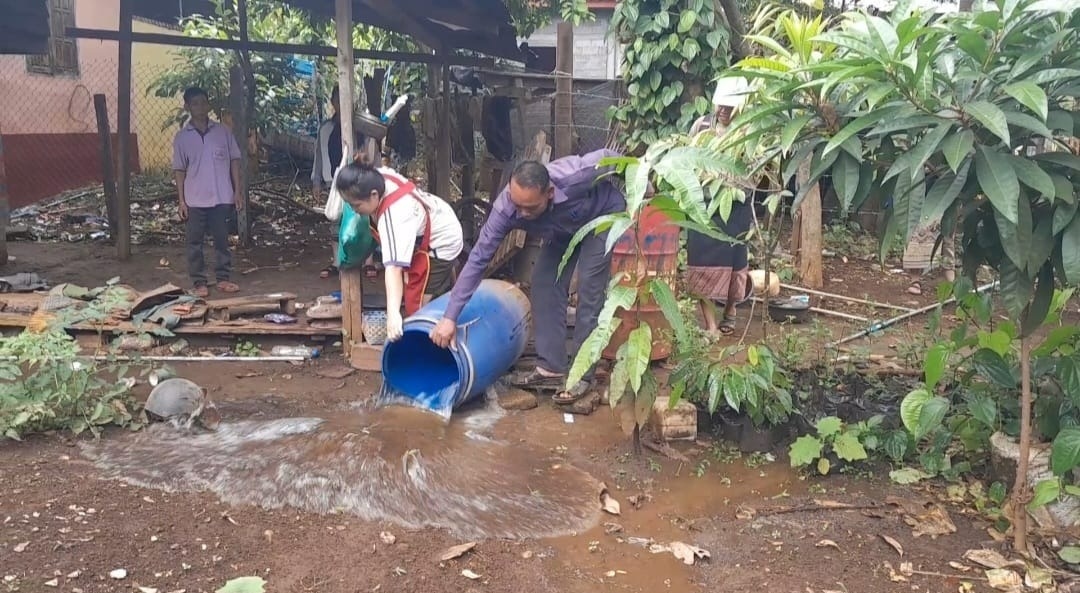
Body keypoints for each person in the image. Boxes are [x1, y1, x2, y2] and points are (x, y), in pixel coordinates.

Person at [429, 150, 625, 404]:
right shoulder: (506, 209)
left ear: (549, 194)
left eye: (529, 207)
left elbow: (614, 158)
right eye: (516, 204)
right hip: (562, 230)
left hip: (601, 217)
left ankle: (581, 376)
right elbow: (477, 259)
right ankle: (551, 368)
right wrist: (449, 317)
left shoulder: (576, 175)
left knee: (590, 291)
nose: (520, 213)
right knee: (544, 283)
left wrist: (646, 182)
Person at [335, 160, 464, 341]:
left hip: (442, 241)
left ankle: (424, 340)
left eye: (356, 206)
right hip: (430, 220)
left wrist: (393, 314)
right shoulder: (375, 177)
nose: (355, 211)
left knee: (418, 306)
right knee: (406, 286)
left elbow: (393, 268)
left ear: (374, 195)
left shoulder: (395, 216)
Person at [685, 78, 754, 335]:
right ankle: (710, 325)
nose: (724, 111)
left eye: (730, 106)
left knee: (735, 260)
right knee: (700, 261)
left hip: (735, 206)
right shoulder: (701, 127)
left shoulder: (748, 132)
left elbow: (755, 171)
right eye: (721, 105)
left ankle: (730, 312)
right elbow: (688, 159)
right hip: (703, 205)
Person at [172, 86, 243, 298]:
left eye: (203, 102)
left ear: (209, 104)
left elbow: (234, 161)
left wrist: (237, 191)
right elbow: (179, 170)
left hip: (222, 196)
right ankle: (199, 282)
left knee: (222, 239)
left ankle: (223, 278)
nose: (200, 107)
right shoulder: (182, 138)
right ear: (187, 107)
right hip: (194, 199)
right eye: (195, 103)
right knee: (194, 242)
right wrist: (181, 200)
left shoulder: (222, 132)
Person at [312, 85, 368, 279]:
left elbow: (369, 152)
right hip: (332, 180)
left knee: (360, 220)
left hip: (356, 180)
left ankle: (364, 260)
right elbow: (319, 156)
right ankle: (337, 261)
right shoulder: (326, 129)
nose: (341, 104)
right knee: (335, 220)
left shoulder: (360, 129)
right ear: (333, 103)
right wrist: (316, 181)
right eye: (337, 100)